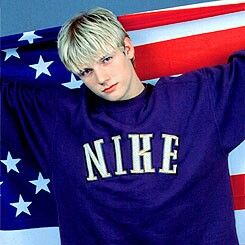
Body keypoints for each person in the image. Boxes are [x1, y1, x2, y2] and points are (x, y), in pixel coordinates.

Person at [2, 7, 244, 245]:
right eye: (86, 71)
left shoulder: (198, 100)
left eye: (106, 60)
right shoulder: (58, 118)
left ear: (127, 48)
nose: (101, 78)